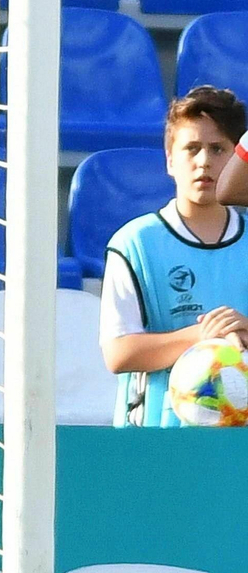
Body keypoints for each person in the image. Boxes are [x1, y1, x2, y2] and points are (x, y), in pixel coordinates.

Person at [102, 86, 248, 426]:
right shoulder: (135, 243)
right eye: (191, 148)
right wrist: (202, 337)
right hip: (156, 435)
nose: (204, 161)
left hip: (239, 439)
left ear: (237, 160)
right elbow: (118, 353)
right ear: (170, 160)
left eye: (217, 149)